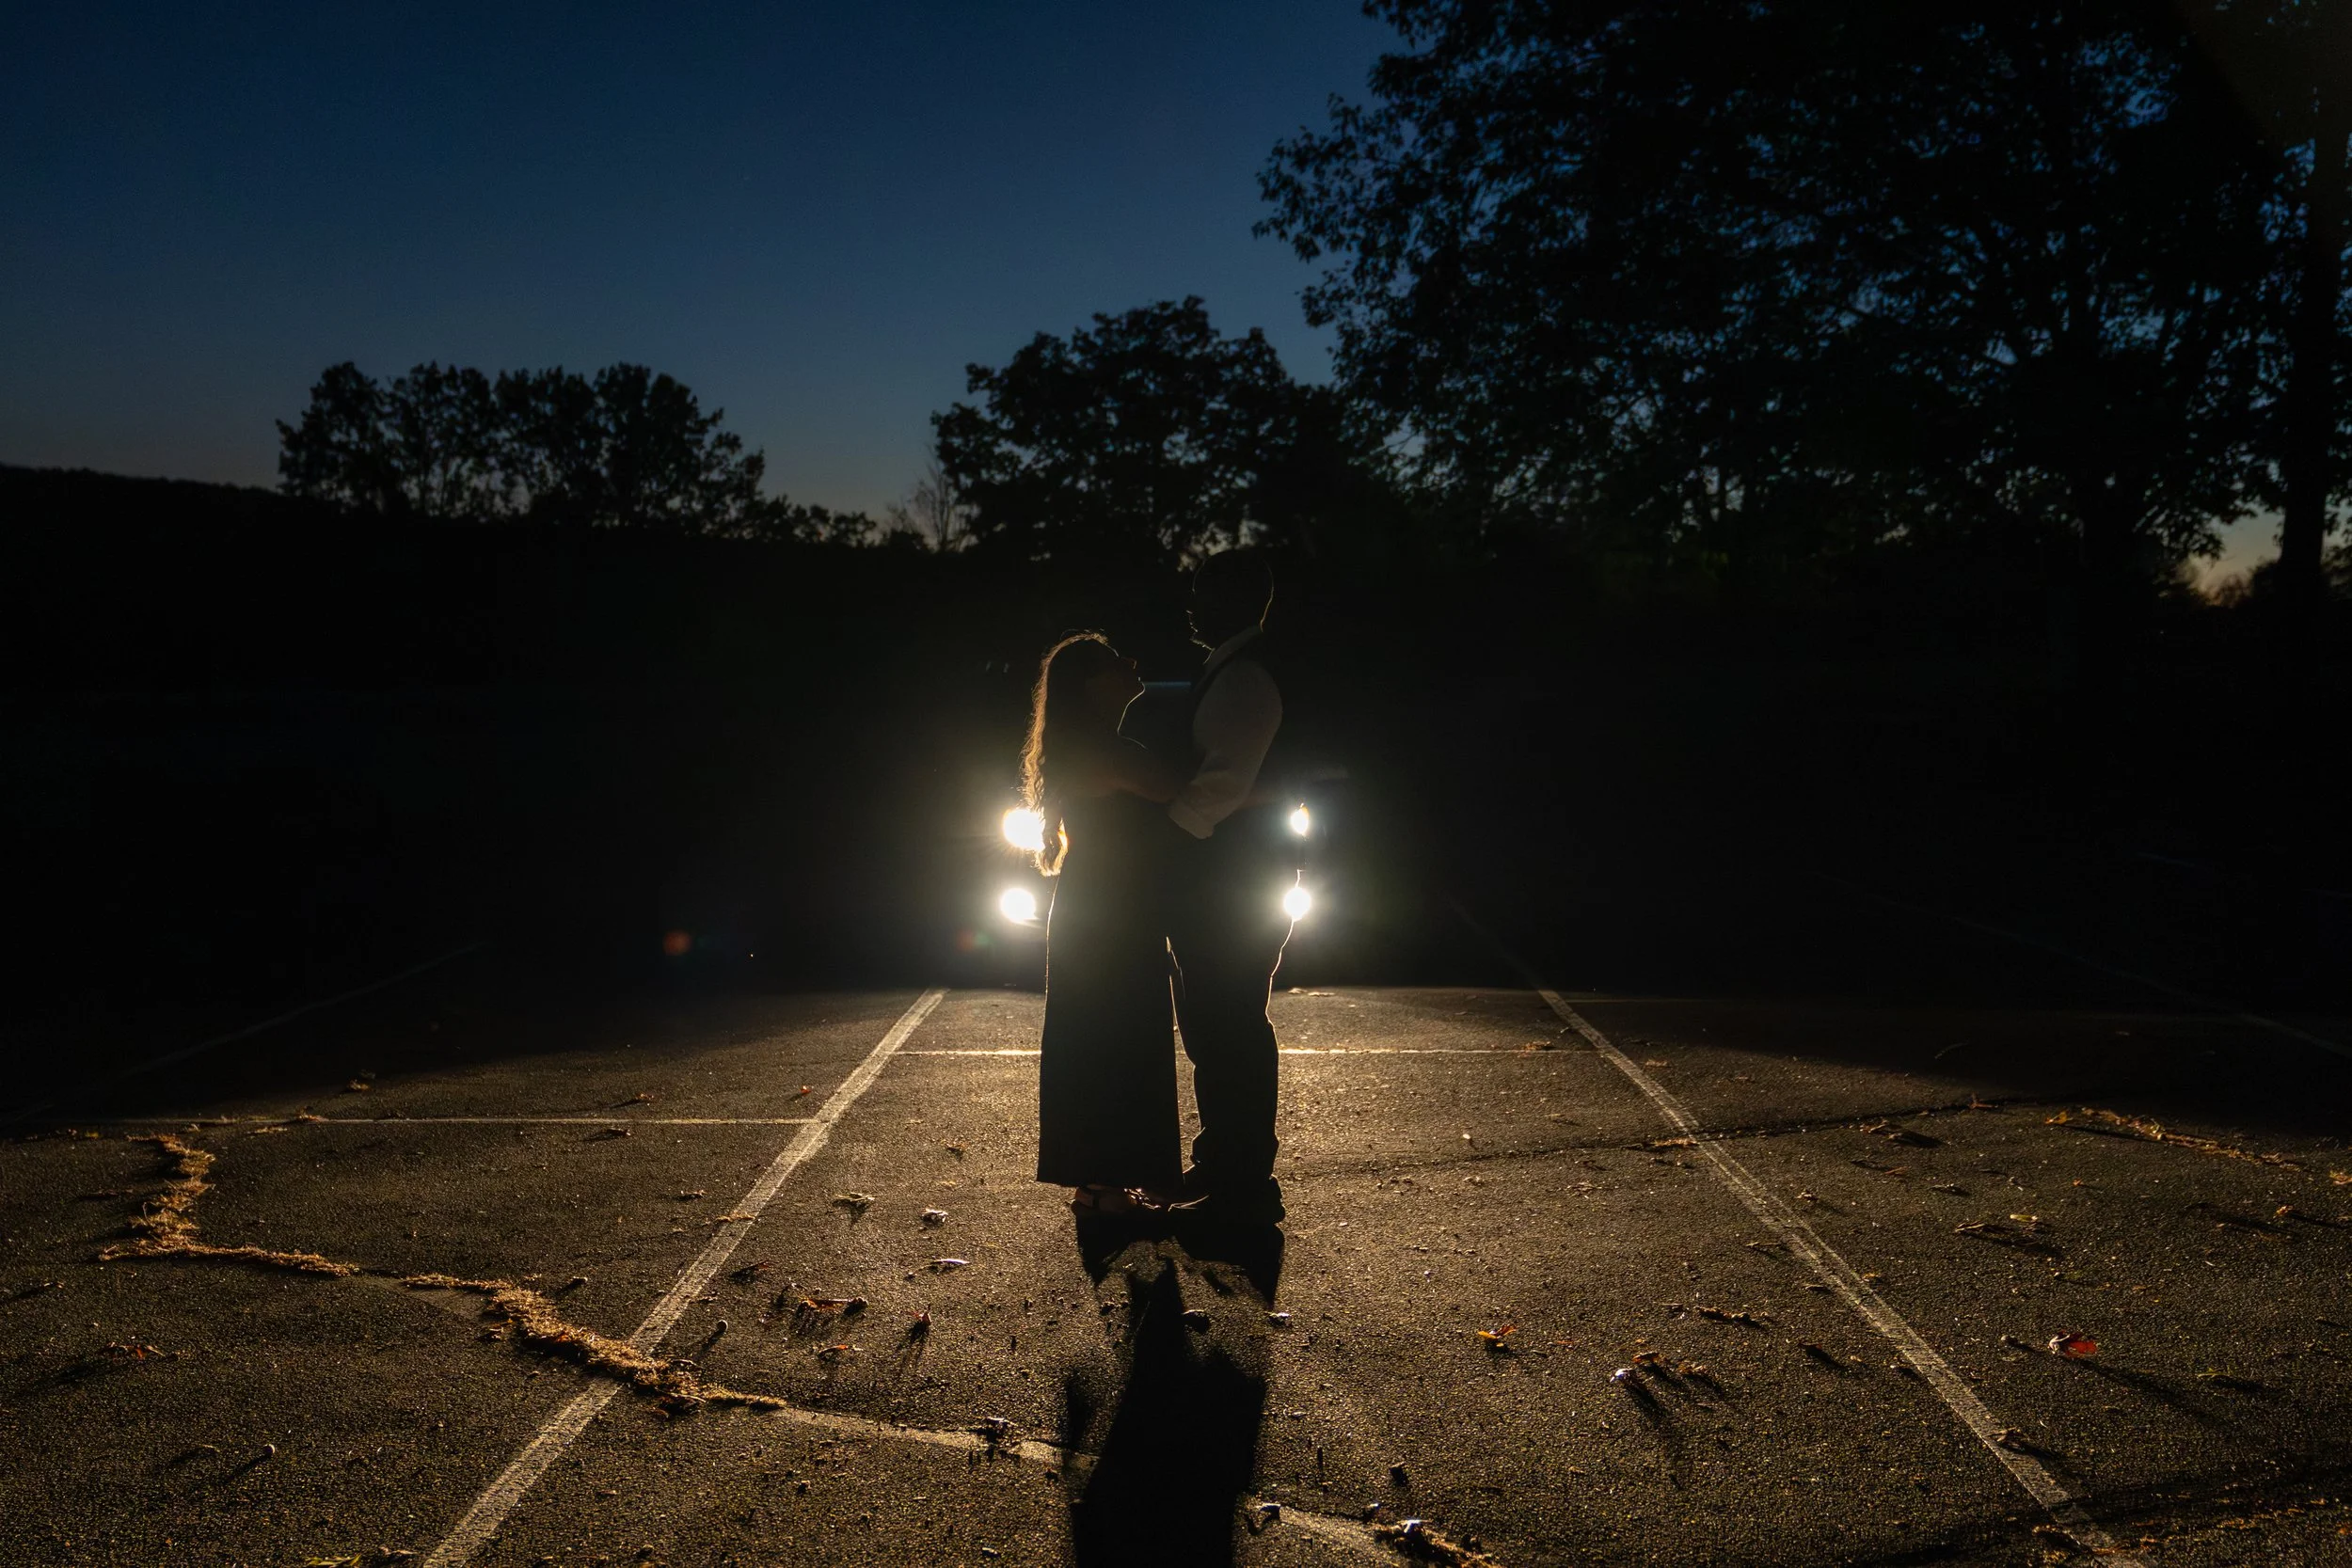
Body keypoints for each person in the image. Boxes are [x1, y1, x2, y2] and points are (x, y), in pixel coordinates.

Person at [1022, 632, 1185, 1215]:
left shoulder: (1094, 745)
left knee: (1110, 1036)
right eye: (1117, 660)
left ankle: (1106, 1182)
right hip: (1107, 910)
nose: (1133, 661)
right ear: (1092, 685)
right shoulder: (1104, 751)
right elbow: (1175, 786)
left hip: (1104, 905)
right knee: (1110, 1037)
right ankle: (1101, 1187)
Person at [1164, 550, 1295, 1226]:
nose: (1190, 605)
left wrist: (1164, 838)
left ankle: (1242, 1183)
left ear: (1237, 600)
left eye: (1201, 592)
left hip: (1234, 881)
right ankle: (1224, 1165)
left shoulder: (1246, 677)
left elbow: (1224, 783)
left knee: (1230, 1023)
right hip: (1228, 878)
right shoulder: (1234, 668)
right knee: (1216, 1023)